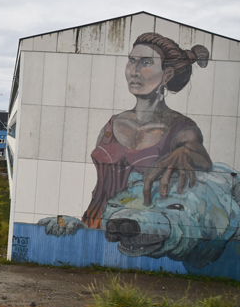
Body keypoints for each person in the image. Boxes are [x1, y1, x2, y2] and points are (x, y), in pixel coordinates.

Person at [81, 32, 212, 229]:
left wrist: (185, 153)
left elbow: (202, 158)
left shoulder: (181, 127)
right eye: (131, 61)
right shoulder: (111, 125)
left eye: (146, 62)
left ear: (167, 75)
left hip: (140, 232)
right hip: (93, 227)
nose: (134, 71)